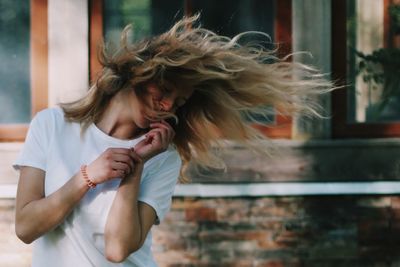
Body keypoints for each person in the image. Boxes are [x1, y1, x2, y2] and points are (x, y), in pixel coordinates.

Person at [13, 15, 331, 266]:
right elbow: (26, 228)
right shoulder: (51, 125)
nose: (167, 106)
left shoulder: (163, 157)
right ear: (139, 74)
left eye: (178, 102)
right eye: (164, 91)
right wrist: (87, 177)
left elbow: (117, 249)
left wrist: (135, 167)